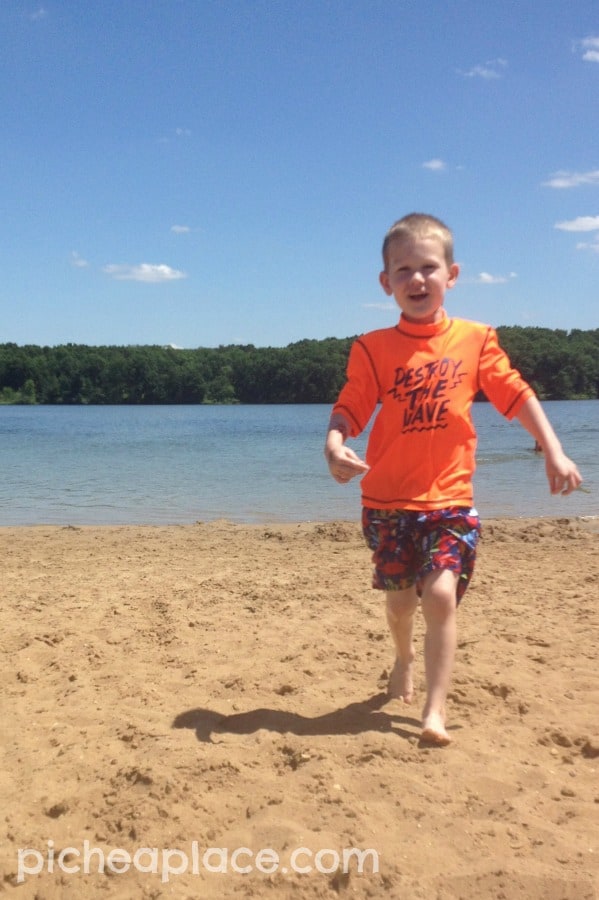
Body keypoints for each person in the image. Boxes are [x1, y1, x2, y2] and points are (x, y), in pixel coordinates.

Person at [324, 213, 582, 746]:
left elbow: (516, 395)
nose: (417, 280)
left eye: (428, 267)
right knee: (399, 603)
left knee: (439, 595)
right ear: (386, 282)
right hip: (388, 502)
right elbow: (351, 405)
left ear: (452, 274)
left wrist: (552, 450)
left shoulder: (477, 339)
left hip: (450, 499)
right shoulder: (372, 347)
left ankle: (433, 713)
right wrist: (334, 444)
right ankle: (404, 657)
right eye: (403, 270)